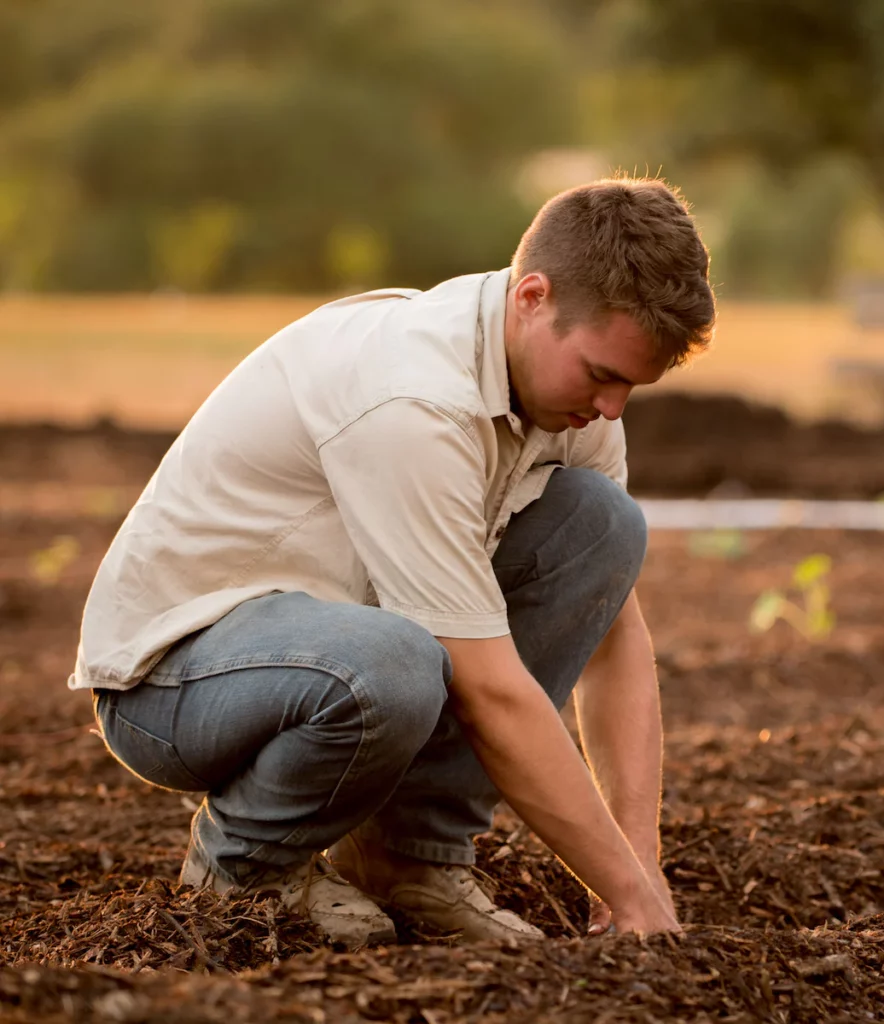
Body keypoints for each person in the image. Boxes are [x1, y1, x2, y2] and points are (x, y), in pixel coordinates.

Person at [73, 176, 716, 948]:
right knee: (397, 662)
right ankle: (244, 867)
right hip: (171, 681)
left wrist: (641, 871)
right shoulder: (414, 400)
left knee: (602, 525)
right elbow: (489, 692)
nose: (612, 409)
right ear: (533, 297)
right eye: (601, 375)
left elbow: (612, 637)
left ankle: (407, 858)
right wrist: (622, 890)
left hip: (333, 644)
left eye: (631, 387)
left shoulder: (569, 404)